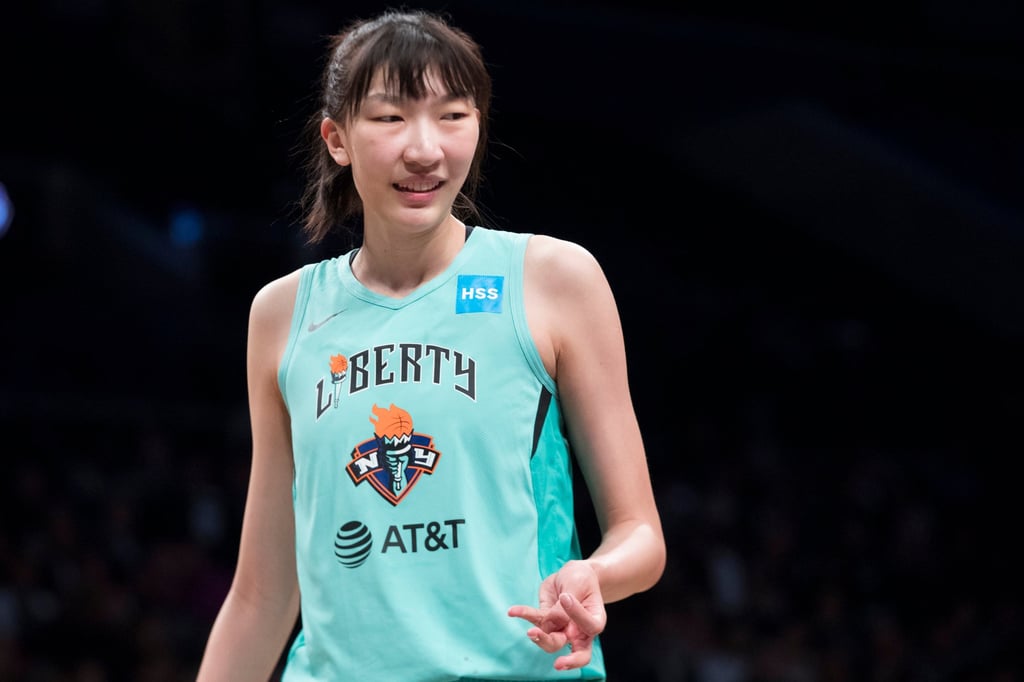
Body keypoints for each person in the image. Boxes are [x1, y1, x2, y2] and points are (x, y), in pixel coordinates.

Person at [196, 9, 665, 681]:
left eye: (452, 116)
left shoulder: (553, 281)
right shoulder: (282, 314)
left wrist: (595, 573)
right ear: (337, 139)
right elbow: (263, 594)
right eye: (389, 118)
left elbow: (640, 536)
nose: (425, 149)